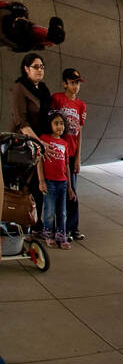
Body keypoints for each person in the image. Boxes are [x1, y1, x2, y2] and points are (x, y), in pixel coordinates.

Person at [9, 51, 53, 234]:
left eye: (42, 67)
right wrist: (38, 143)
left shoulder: (42, 89)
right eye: (36, 67)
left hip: (40, 142)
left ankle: (36, 223)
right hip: (25, 143)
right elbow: (21, 121)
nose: (40, 70)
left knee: (38, 185)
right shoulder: (20, 87)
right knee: (25, 185)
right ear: (26, 69)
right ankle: (22, 222)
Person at [50, 69, 87, 240]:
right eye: (72, 82)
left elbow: (79, 132)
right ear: (65, 83)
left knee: (73, 191)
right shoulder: (57, 99)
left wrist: (78, 157)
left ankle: (73, 227)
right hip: (58, 152)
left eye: (77, 83)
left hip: (72, 154)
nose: (75, 86)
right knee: (57, 190)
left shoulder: (81, 105)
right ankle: (58, 227)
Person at [38, 112, 75, 249]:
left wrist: (70, 187)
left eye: (62, 123)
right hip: (49, 182)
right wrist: (41, 181)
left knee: (62, 212)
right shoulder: (44, 139)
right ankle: (48, 235)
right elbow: (39, 162)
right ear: (50, 125)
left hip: (63, 183)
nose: (60, 126)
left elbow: (66, 166)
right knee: (49, 211)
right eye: (56, 123)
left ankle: (61, 235)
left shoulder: (65, 143)